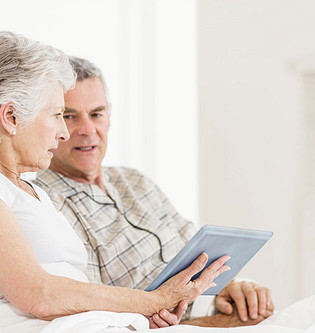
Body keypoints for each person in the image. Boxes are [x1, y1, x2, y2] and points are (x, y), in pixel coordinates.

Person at [0, 31, 231, 332]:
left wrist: (142, 317)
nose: (63, 133)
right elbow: (38, 296)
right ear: (10, 117)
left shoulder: (32, 192)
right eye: (58, 115)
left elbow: (75, 293)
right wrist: (152, 300)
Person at [33, 56, 274, 328]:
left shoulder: (134, 180)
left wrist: (231, 293)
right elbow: (90, 311)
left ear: (109, 118)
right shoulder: (44, 202)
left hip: (211, 315)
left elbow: (198, 251)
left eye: (97, 114)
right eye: (69, 116)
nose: (88, 130)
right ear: (51, 123)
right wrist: (212, 323)